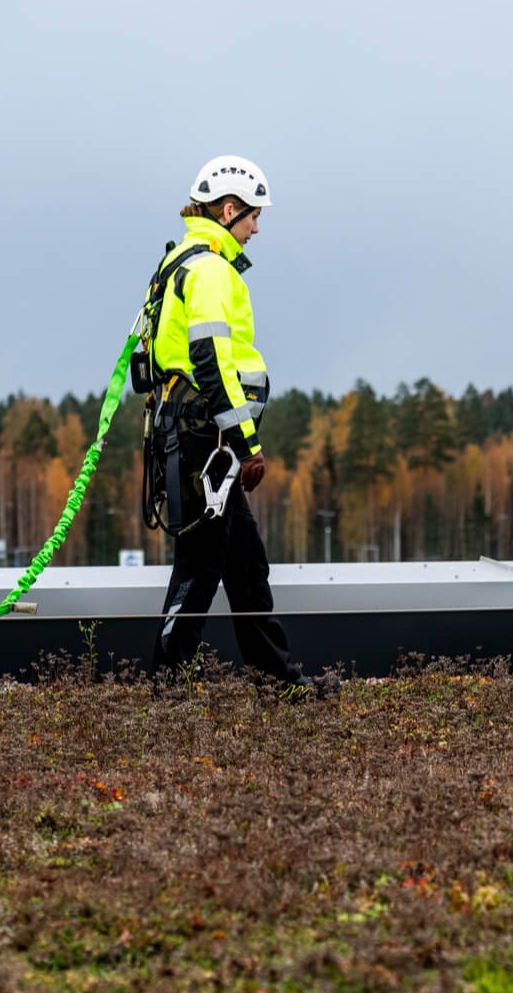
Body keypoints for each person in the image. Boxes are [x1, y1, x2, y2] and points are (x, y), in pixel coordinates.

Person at [141, 154, 308, 688]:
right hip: (206, 441)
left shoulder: (180, 262)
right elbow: (211, 359)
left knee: (245, 567)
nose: (257, 227)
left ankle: (278, 682)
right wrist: (247, 442)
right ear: (230, 209)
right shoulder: (210, 268)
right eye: (254, 215)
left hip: (196, 436)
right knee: (201, 567)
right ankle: (166, 687)